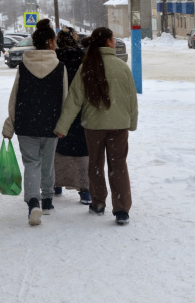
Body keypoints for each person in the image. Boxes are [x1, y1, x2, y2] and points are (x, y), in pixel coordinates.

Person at [54, 27, 138, 226]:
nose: (115, 41)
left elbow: (74, 99)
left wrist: (62, 126)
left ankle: (98, 203)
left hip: (93, 126)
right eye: (113, 38)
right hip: (119, 125)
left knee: (96, 164)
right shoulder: (122, 67)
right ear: (108, 42)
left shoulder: (86, 67)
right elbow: (131, 99)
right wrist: (132, 123)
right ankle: (122, 210)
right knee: (118, 165)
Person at [2, 19, 67, 226]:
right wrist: (63, 125)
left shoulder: (23, 66)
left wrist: (10, 124)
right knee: (47, 163)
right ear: (49, 42)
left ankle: (33, 202)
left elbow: (15, 98)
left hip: (26, 122)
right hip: (51, 123)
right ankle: (47, 200)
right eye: (55, 40)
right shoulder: (60, 67)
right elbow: (64, 98)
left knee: (32, 163)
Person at [53, 27, 91, 205]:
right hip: (80, 112)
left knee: (57, 150)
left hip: (58, 111)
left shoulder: (54, 59)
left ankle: (56, 184)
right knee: (82, 152)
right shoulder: (84, 59)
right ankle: (85, 191)